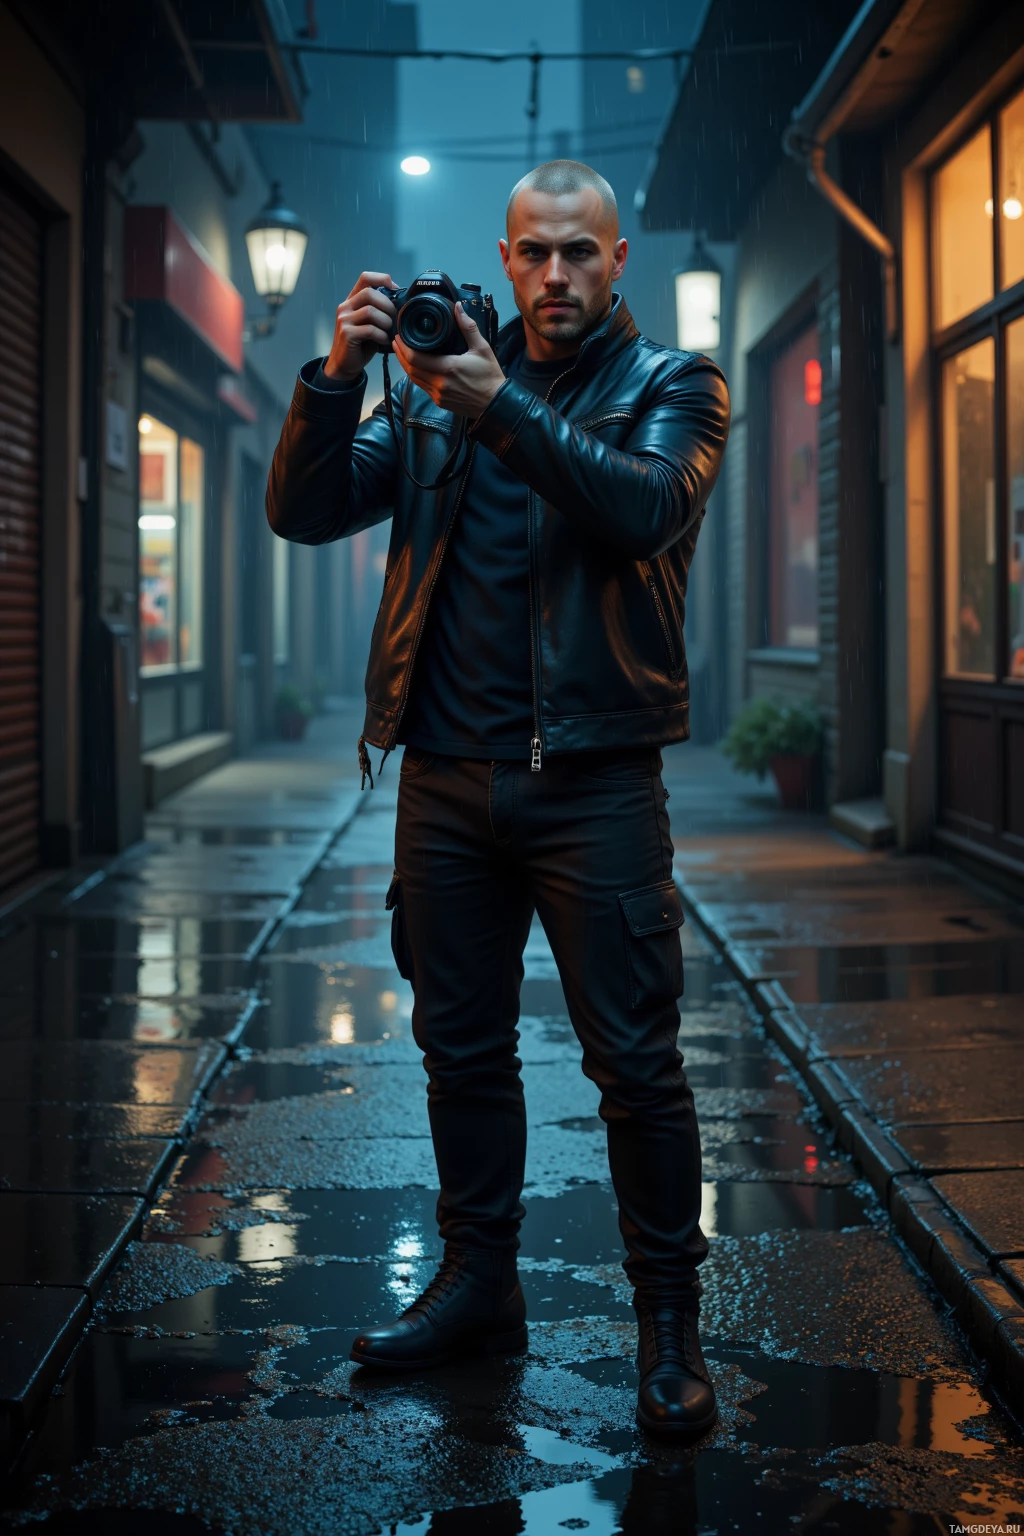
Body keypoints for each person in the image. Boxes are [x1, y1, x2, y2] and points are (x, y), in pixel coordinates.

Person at [266, 160, 730, 1439]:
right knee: (459, 1054)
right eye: (532, 253)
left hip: (595, 782)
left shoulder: (674, 387)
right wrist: (337, 380)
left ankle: (668, 1330)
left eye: (579, 254)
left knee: (634, 1066)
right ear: (505, 255)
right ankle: (478, 1289)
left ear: (618, 258)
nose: (554, 278)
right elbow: (303, 512)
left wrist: (498, 402)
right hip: (446, 780)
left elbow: (641, 510)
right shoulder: (424, 401)